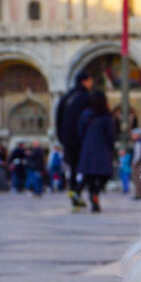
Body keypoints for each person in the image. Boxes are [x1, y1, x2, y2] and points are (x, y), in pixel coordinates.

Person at [56, 70, 93, 208]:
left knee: (72, 168)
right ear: (85, 81)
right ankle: (77, 191)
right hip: (81, 139)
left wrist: (61, 137)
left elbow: (58, 119)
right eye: (90, 80)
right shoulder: (86, 97)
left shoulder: (66, 97)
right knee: (87, 167)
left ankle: (73, 194)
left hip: (67, 139)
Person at [77, 91, 115, 212]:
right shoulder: (106, 116)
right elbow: (111, 135)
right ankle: (95, 197)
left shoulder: (86, 115)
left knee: (91, 176)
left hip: (89, 149)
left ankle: (89, 194)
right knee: (103, 175)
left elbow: (80, 132)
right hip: (102, 150)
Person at [130, 129, 141, 200]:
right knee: (139, 179)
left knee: (137, 179)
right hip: (140, 162)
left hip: (138, 163)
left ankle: (139, 194)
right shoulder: (140, 141)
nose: (132, 136)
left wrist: (134, 162)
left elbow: (138, 154)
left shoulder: (138, 142)